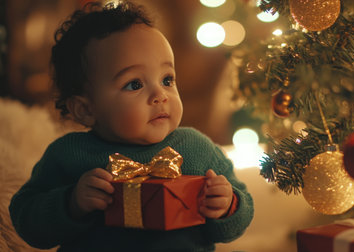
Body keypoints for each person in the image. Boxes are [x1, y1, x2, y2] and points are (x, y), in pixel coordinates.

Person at [9, 2, 253, 251]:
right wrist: (71, 203)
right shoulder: (69, 154)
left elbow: (240, 216)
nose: (160, 95)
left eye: (167, 79)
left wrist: (226, 205)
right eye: (134, 84)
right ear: (86, 109)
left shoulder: (196, 147)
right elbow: (26, 222)